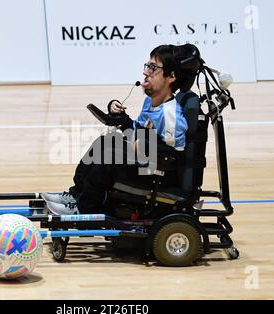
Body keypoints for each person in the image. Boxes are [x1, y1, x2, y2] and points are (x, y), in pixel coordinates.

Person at [43, 44, 201, 215]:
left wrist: (146, 145)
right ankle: (76, 194)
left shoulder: (171, 115)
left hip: (158, 176)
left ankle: (83, 207)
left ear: (171, 77)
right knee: (105, 141)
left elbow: (174, 155)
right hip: (145, 160)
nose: (145, 72)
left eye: (153, 68)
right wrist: (120, 118)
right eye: (147, 65)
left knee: (108, 159)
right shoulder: (151, 100)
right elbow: (138, 129)